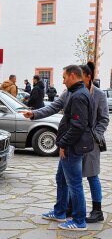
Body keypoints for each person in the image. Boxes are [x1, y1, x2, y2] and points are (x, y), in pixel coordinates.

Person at [21, 65, 94, 231]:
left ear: (73, 75)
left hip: (71, 147)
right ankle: (60, 212)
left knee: (74, 184)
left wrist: (62, 144)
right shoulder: (72, 92)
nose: (63, 80)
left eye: (64, 77)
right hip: (69, 146)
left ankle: (79, 220)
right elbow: (53, 107)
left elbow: (78, 126)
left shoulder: (78, 96)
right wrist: (33, 114)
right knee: (61, 179)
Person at [79, 62, 109, 223]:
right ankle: (73, 207)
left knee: (92, 175)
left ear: (88, 77)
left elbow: (104, 119)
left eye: (79, 75)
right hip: (74, 142)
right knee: (74, 176)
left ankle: (97, 211)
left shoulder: (99, 94)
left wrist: (94, 135)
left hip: (91, 143)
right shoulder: (72, 92)